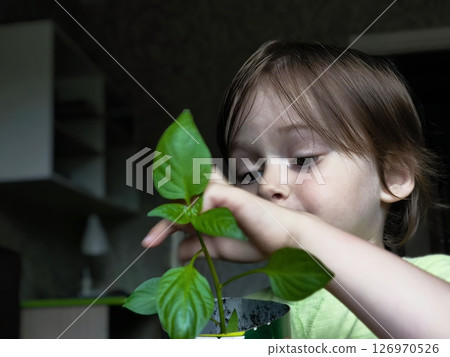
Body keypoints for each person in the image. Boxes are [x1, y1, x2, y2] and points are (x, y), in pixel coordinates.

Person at [142, 41, 450, 338]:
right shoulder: (255, 311)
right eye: (248, 173)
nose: (266, 185)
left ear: (392, 175)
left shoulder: (433, 279)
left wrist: (301, 236)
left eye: (303, 160)